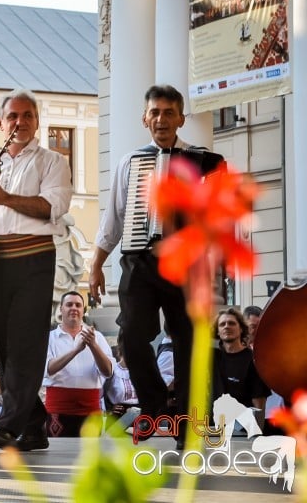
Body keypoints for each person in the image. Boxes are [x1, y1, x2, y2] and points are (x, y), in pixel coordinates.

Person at [88, 84, 223, 450]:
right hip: (139, 262)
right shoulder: (130, 163)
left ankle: (190, 426)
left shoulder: (203, 162)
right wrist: (95, 265)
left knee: (188, 343)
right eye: (155, 113)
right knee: (131, 335)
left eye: (168, 113)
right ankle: (155, 407)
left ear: (180, 118)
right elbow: (113, 219)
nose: (161, 119)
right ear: (144, 119)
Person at [0, 89, 72, 451]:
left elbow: (51, 207)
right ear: (0, 123)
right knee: (4, 347)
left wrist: (4, 198)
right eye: (13, 117)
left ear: (37, 122)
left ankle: (8, 426)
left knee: (26, 342)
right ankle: (35, 424)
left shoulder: (53, 161)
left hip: (35, 255)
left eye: (27, 116)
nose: (20, 123)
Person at [43, 291, 113, 437]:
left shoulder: (97, 337)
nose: (74, 308)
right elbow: (49, 368)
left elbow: (108, 371)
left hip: (91, 411)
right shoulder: (50, 338)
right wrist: (76, 350)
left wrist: (93, 345)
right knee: (60, 456)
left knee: (90, 457)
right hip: (59, 410)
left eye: (78, 305)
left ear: (83, 310)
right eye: (69, 304)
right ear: (61, 309)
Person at [212, 307, 270, 411]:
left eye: (231, 323)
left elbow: (259, 407)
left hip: (241, 425)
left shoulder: (253, 360)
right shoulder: (212, 358)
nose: (227, 327)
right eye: (222, 324)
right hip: (212, 425)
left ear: (241, 329)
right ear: (218, 332)